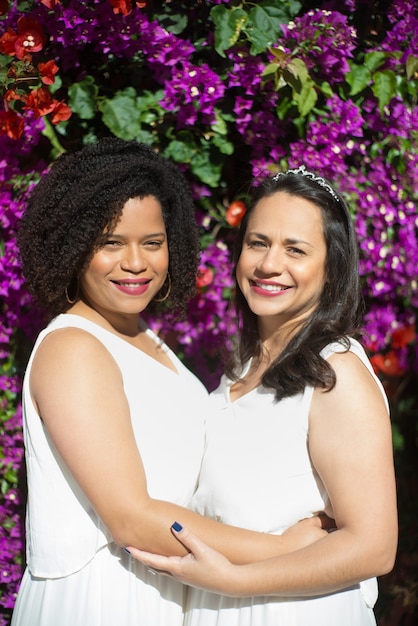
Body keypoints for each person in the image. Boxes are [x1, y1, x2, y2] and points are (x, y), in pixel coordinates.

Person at [12, 142, 330, 626]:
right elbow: (132, 519)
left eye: (153, 242)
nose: (136, 263)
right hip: (102, 600)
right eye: (111, 242)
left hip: (163, 592)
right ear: (74, 246)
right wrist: (282, 552)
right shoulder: (74, 347)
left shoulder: (148, 342)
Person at [126, 166, 398, 626]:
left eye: (296, 249)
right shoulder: (238, 374)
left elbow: (373, 546)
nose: (269, 264)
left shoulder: (336, 371)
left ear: (331, 268)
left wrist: (234, 581)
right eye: (258, 243)